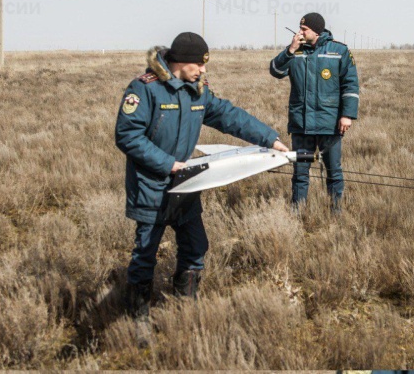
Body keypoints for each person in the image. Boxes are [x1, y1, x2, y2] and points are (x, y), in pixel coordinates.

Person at [115, 32, 288, 339]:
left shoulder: (198, 91)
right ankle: (139, 317)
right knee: (145, 254)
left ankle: (185, 308)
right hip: (151, 186)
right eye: (199, 64)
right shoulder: (144, 89)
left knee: (196, 248)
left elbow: (228, 116)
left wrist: (270, 138)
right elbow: (128, 136)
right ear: (180, 61)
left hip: (186, 184)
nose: (203, 70)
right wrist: (167, 163)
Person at [269, 12, 359, 212]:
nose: (300, 32)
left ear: (316, 31)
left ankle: (335, 212)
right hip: (301, 124)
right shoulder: (295, 52)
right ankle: (297, 212)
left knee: (333, 172)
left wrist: (347, 115)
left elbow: (350, 84)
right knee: (300, 172)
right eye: (300, 28)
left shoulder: (339, 51)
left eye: (304, 29)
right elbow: (275, 70)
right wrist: (291, 49)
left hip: (330, 123)